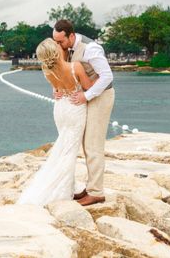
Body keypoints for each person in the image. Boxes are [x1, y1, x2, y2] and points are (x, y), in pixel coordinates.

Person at [16, 38, 94, 205]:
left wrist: (57, 91)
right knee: (70, 151)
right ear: (55, 51)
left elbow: (57, 89)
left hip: (60, 108)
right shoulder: (76, 66)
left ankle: (68, 186)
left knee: (64, 147)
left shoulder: (47, 71)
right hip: (74, 108)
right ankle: (62, 190)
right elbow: (88, 87)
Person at [52, 19, 114, 207]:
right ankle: (90, 187)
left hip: (101, 97)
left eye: (60, 41)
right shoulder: (67, 48)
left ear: (71, 36)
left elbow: (107, 76)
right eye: (55, 41)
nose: (57, 45)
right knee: (86, 144)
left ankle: (96, 192)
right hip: (87, 95)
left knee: (93, 144)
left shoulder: (90, 49)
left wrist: (86, 96)